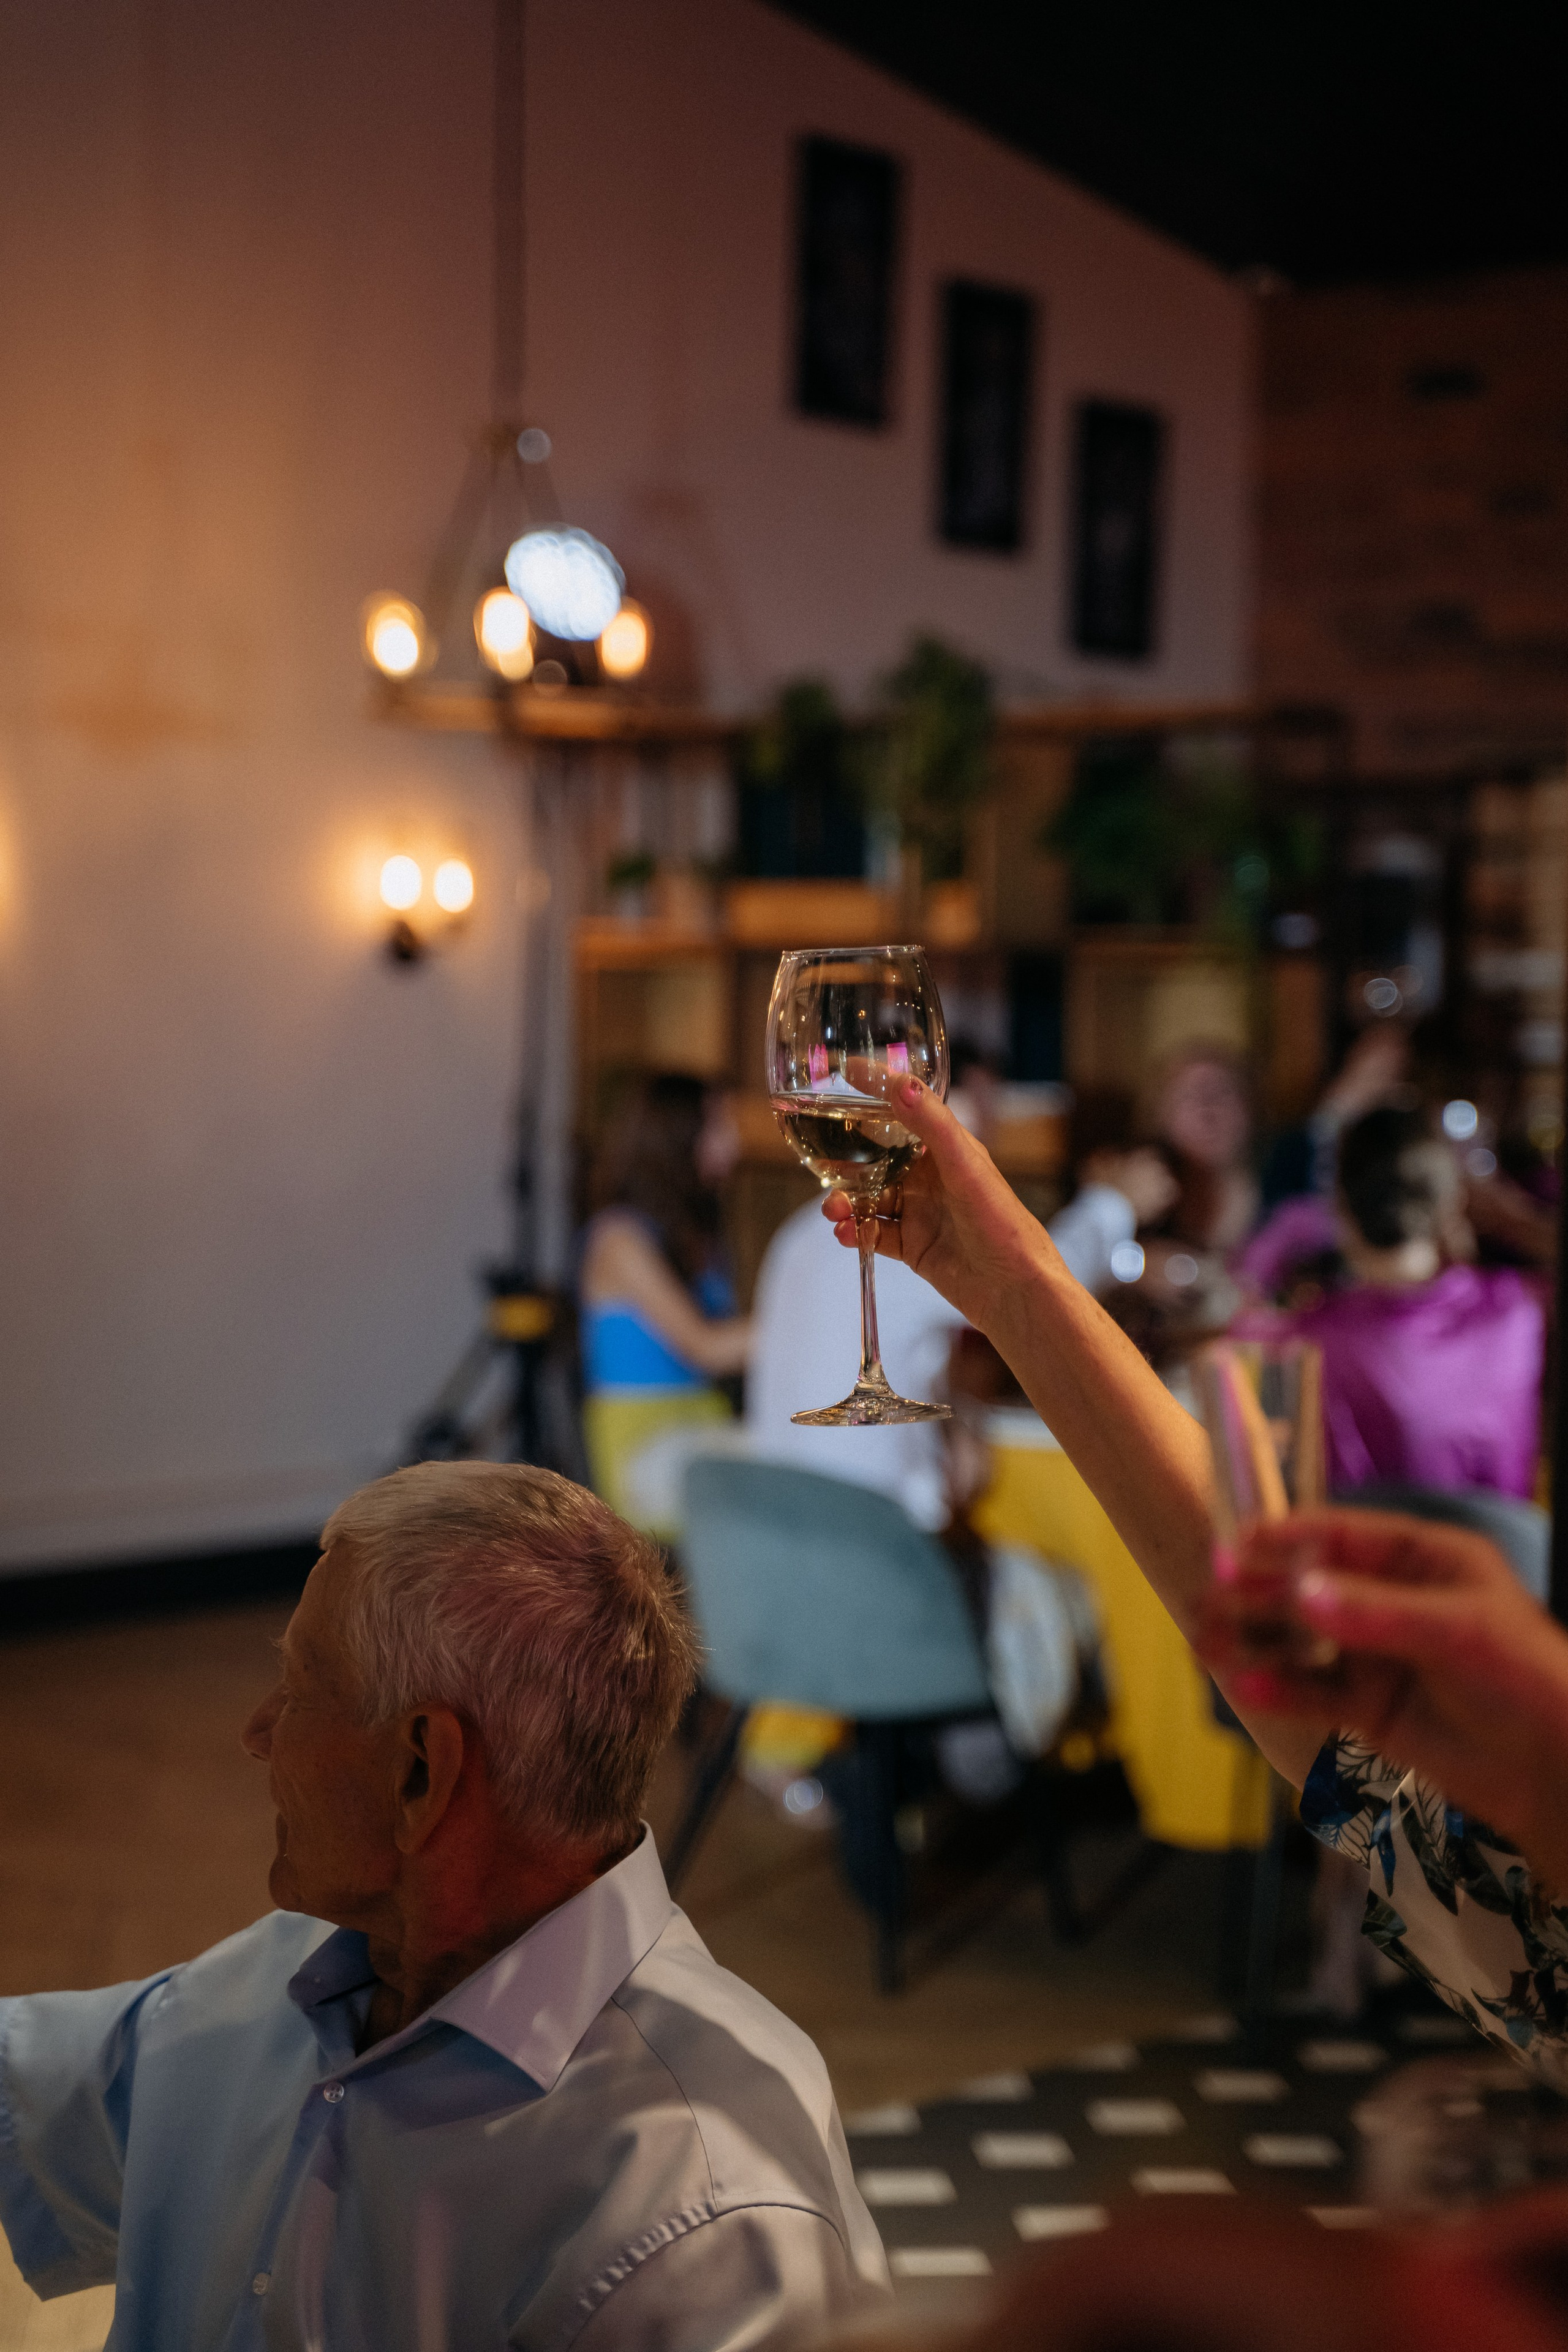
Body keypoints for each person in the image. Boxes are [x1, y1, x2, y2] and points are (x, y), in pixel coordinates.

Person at [0, 1462, 889, 2348]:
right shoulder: (289, 1973)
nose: (260, 1732)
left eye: (302, 1688)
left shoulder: (702, 2215)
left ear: (425, 1769)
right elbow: (37, 2097)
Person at [814, 1074, 1568, 2070]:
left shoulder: (1308, 1329)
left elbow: (1350, 1761)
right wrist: (1017, 1287)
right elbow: (1349, 1755)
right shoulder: (1515, 1308)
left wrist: (1023, 1291)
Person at [1254, 1103, 1545, 1497]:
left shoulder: (1305, 1339)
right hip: (1503, 1556)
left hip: (1360, 1556)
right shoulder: (1516, 1314)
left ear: (1341, 1209)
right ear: (1451, 1200)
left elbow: (1276, 1489)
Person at [579, 1073, 750, 1532]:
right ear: (677, 1137)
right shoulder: (618, 1239)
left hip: (702, 1433)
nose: (733, 1145)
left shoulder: (698, 1238)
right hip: (646, 1450)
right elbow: (706, 1347)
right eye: (718, 1127)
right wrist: (812, 1315)